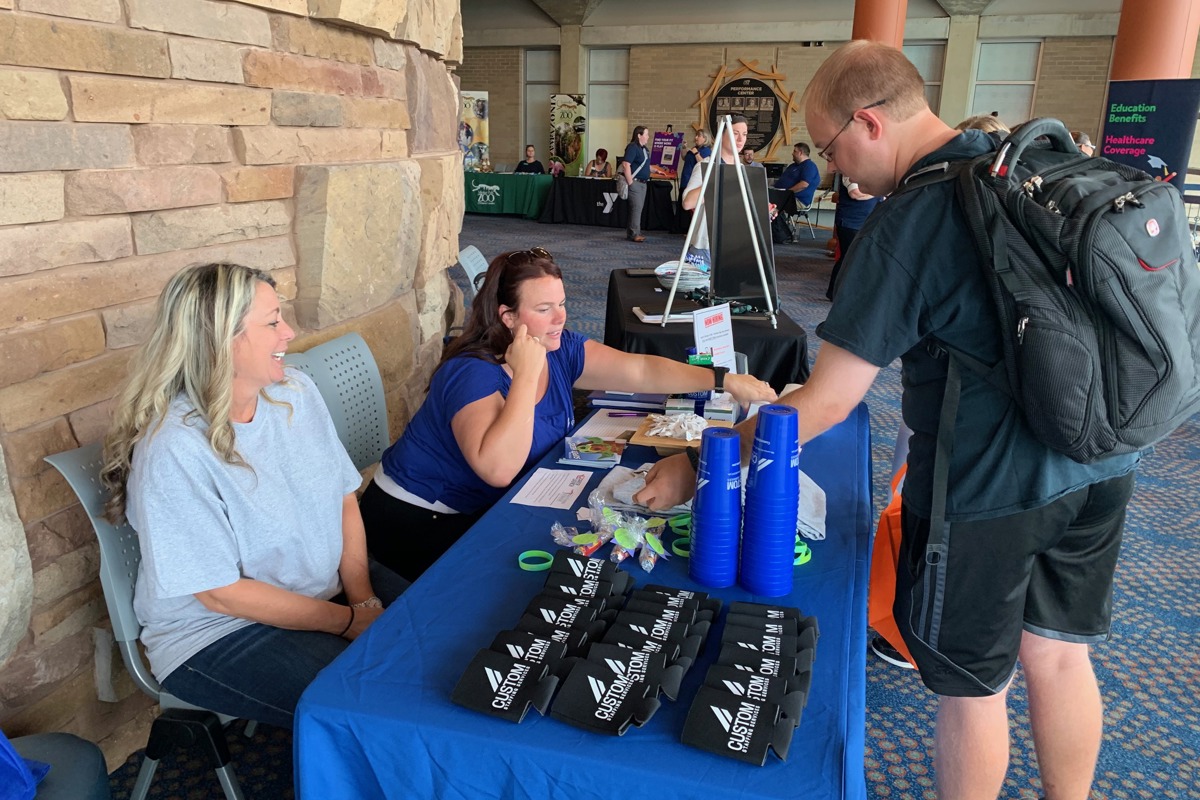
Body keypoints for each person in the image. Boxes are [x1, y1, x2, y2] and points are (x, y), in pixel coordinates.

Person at [637, 41, 1138, 800]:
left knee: (975, 689)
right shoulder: (1020, 163)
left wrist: (699, 466)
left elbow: (828, 400)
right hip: (1102, 459)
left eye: (834, 150)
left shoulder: (914, 216)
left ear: (868, 123)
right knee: (1062, 657)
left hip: (992, 486)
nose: (837, 172)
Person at [101, 263, 409, 730]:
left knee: (440, 638)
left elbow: (343, 497)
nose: (289, 332)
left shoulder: (295, 391)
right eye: (272, 322)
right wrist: (347, 622)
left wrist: (363, 601)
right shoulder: (174, 448)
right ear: (220, 340)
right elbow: (221, 595)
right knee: (380, 709)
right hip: (216, 633)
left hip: (322, 590)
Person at [359, 247, 777, 581]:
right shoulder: (473, 373)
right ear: (508, 318)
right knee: (521, 584)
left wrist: (720, 379)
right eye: (543, 309)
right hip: (416, 518)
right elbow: (498, 469)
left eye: (561, 303)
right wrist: (525, 373)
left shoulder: (559, 346)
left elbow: (640, 369)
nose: (560, 317)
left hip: (487, 505)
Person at [680, 115, 749, 268]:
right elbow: (687, 202)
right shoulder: (706, 166)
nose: (740, 139)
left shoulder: (743, 171)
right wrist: (719, 179)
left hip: (734, 245)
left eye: (744, 134)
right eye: (735, 133)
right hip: (705, 245)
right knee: (699, 290)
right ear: (721, 136)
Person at [826, 171, 880, 300]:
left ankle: (841, 292)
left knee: (854, 258)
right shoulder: (850, 171)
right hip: (850, 222)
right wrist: (877, 193)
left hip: (863, 221)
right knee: (848, 258)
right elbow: (855, 193)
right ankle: (834, 292)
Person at [621, 126, 651, 242]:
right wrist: (630, 182)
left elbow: (644, 165)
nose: (648, 137)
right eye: (646, 134)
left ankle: (634, 232)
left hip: (643, 183)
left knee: (637, 208)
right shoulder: (633, 147)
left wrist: (656, 170)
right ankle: (634, 234)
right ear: (639, 135)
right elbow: (626, 164)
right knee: (636, 209)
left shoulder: (644, 149)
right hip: (636, 182)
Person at [775, 142, 821, 208]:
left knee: (766, 203)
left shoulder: (809, 166)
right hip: (782, 196)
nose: (792, 153)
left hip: (797, 199)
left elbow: (803, 185)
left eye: (794, 151)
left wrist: (786, 193)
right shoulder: (793, 166)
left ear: (800, 153)